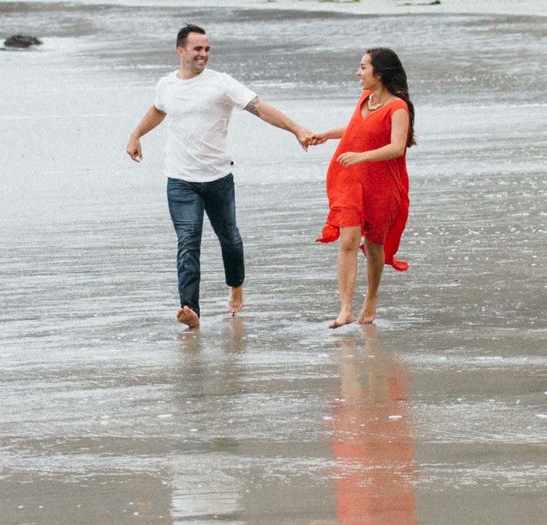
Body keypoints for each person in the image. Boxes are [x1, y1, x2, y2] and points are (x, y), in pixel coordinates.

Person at [127, 24, 321, 329]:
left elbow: (260, 108)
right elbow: (158, 109)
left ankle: (236, 287)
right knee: (188, 241)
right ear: (180, 51)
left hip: (218, 178)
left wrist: (296, 129)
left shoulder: (222, 83)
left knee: (229, 239)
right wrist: (136, 134)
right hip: (180, 179)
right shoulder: (166, 85)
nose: (203, 54)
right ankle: (190, 309)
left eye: (207, 49)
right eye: (197, 49)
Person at [312, 47, 413, 329]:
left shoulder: (398, 108)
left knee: (374, 245)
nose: (358, 72)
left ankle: (371, 297)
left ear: (378, 73)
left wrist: (361, 156)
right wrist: (326, 134)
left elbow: (396, 147)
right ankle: (344, 309)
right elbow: (356, 130)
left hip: (382, 184)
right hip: (350, 180)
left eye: (363, 67)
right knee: (347, 241)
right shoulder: (364, 99)